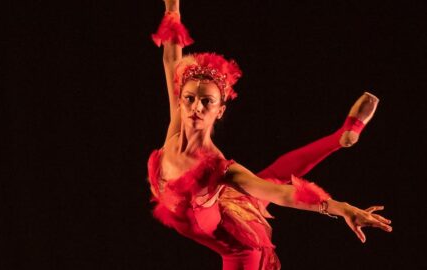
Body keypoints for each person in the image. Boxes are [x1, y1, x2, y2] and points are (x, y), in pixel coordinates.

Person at [147, 1, 392, 269]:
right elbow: (171, 58)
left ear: (219, 111)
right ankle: (340, 136)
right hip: (225, 206)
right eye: (190, 98)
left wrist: (341, 207)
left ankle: (339, 137)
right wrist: (173, 6)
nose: (196, 107)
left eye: (207, 102)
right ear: (180, 100)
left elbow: (282, 195)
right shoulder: (177, 123)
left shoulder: (220, 169)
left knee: (267, 184)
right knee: (269, 177)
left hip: (238, 249)